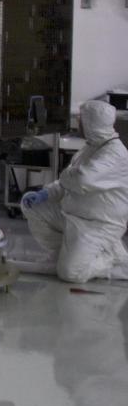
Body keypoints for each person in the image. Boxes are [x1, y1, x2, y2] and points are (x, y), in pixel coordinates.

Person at [20, 99, 128, 283]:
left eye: (81, 119)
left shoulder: (115, 153)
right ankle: (62, 254)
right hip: (73, 215)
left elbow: (82, 180)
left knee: (71, 274)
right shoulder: (90, 147)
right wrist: (46, 193)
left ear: (92, 123)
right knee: (32, 207)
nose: (78, 122)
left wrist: (67, 176)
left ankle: (112, 259)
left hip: (98, 224)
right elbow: (68, 181)